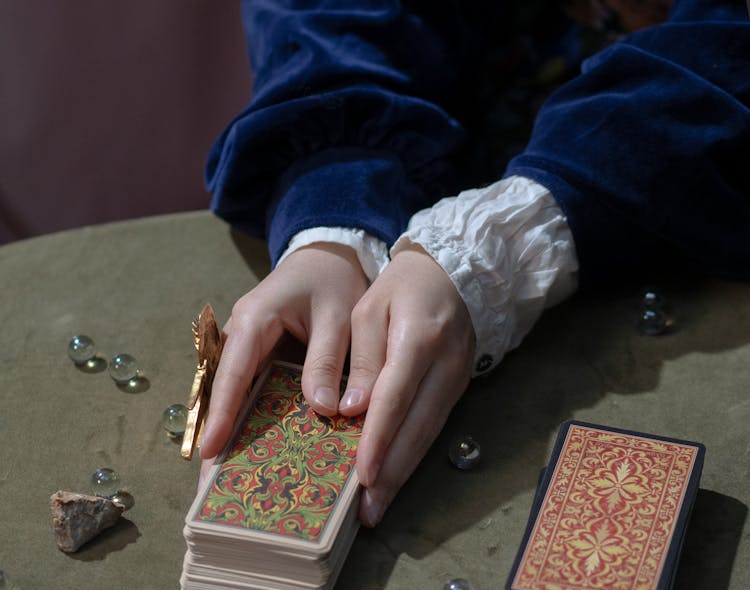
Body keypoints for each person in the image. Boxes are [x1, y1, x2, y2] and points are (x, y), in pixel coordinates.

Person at [198, 0, 750, 527]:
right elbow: (327, 18)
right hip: (420, 195)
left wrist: (494, 250)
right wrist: (333, 218)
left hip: (677, 223)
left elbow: (724, 50)